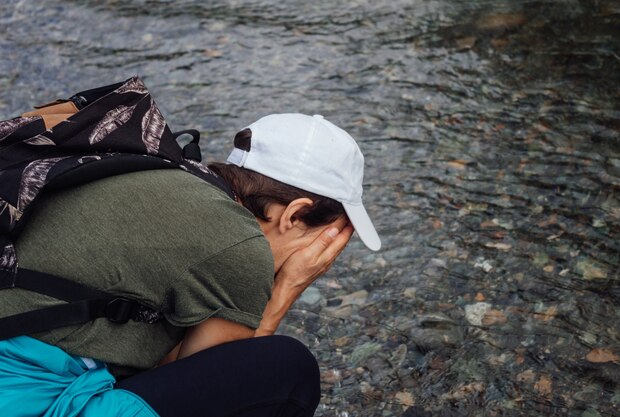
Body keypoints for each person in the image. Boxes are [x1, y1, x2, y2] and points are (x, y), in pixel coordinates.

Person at [0, 113, 381, 417]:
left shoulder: (161, 175)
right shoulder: (241, 247)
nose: (322, 259)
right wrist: (284, 291)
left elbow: (168, 375)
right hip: (23, 397)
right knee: (286, 371)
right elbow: (218, 389)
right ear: (295, 215)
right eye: (327, 240)